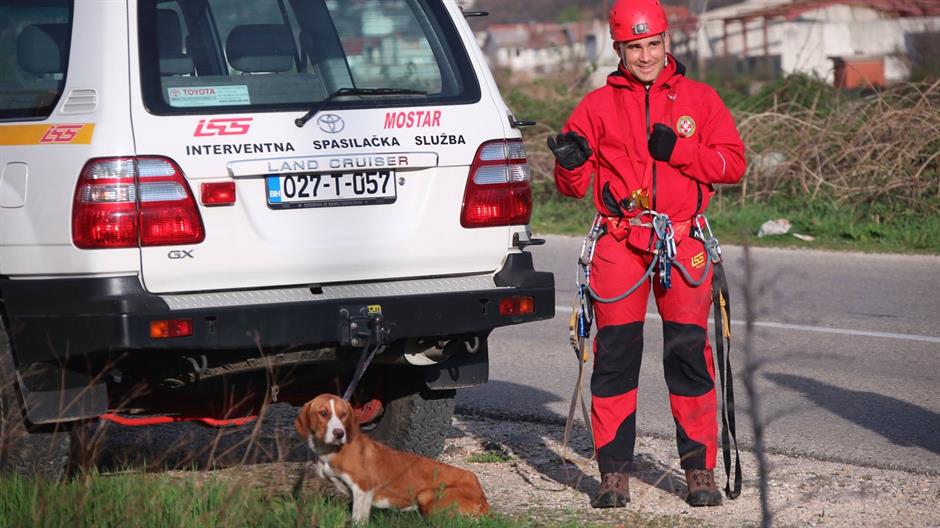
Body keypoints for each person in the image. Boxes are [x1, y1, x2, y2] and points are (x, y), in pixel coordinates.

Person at [548, 0, 745, 509]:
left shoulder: (700, 99)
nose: (645, 55)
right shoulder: (594, 107)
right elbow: (572, 187)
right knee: (614, 358)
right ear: (618, 48)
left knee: (688, 354)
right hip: (619, 242)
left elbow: (732, 164)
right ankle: (614, 473)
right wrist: (569, 166)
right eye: (634, 47)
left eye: (653, 44)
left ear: (666, 43)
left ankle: (699, 470)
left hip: (683, 241)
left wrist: (679, 151)